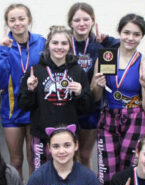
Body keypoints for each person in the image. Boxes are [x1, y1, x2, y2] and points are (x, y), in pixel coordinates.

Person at [91, 13, 145, 185]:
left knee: (128, 171)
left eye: (136, 34)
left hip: (136, 119)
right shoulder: (107, 57)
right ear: (119, 33)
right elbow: (94, 95)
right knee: (105, 171)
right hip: (109, 117)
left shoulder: (144, 64)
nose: (130, 38)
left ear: (142, 37)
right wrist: (98, 85)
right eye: (126, 32)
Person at [18, 26, 93, 169]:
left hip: (68, 135)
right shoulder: (36, 71)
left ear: (70, 46)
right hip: (41, 133)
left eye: (64, 43)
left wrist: (80, 93)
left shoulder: (77, 71)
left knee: (67, 174)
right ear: (48, 45)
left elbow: (86, 107)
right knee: (40, 176)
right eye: (55, 43)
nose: (59, 47)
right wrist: (30, 90)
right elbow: (24, 105)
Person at [0, 3, 46, 178]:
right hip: (12, 108)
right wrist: (5, 52)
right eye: (12, 20)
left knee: (34, 159)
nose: (17, 23)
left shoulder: (41, 42)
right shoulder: (3, 46)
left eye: (21, 18)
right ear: (7, 23)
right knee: (15, 160)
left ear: (29, 20)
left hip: (35, 107)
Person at [67, 2, 120, 169]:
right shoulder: (63, 45)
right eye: (77, 20)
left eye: (86, 19)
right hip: (67, 107)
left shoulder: (100, 47)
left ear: (93, 21)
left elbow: (123, 44)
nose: (82, 23)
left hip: (91, 109)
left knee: (84, 155)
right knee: (69, 155)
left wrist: (108, 39)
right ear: (70, 23)